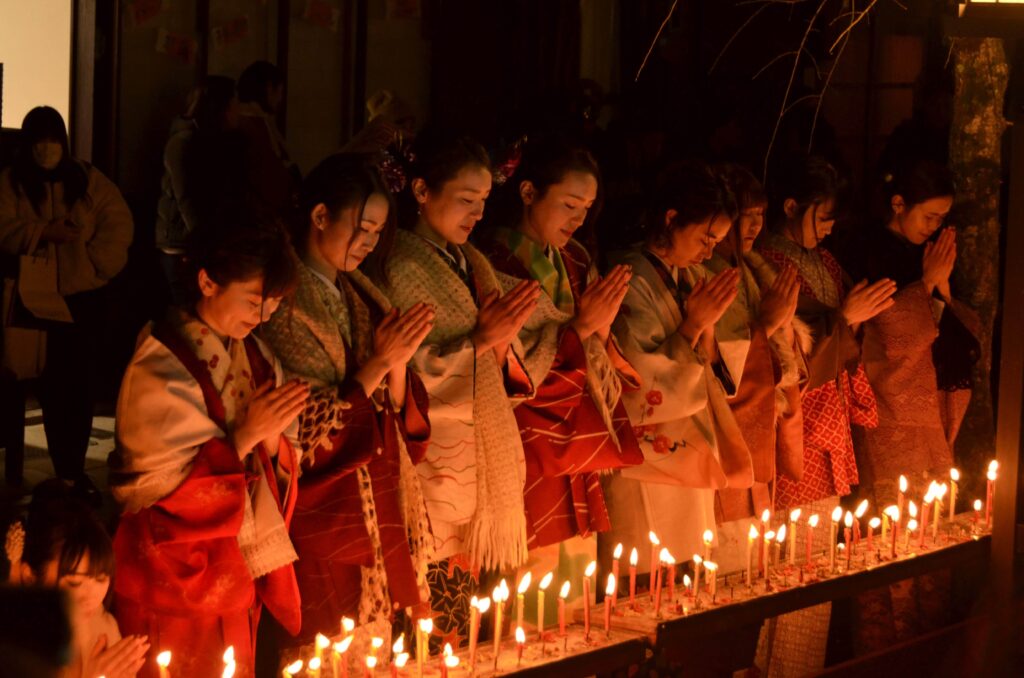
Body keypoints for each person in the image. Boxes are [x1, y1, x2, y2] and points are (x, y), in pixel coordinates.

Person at [377, 131, 558, 649]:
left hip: (482, 460)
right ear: (420, 191)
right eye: (465, 199)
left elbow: (504, 360)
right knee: (441, 625)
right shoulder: (403, 266)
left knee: (482, 625)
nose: (477, 213)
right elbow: (409, 371)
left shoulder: (471, 262)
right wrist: (480, 342)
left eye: (482, 201)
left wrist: (496, 345)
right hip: (438, 465)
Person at [108, 216, 307, 678]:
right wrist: (244, 438)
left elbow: (276, 454)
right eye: (254, 302)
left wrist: (271, 440)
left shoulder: (256, 355)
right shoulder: (159, 365)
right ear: (207, 282)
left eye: (274, 305)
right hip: (171, 575)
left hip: (236, 565)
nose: (263, 317)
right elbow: (154, 488)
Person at [260, 154, 434, 655]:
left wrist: (396, 363)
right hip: (325, 501)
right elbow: (304, 424)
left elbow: (393, 405)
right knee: (325, 643)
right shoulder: (285, 303)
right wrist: (381, 363)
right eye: (362, 228)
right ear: (320, 216)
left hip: (376, 486)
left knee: (372, 641)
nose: (370, 243)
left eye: (378, 232)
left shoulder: (359, 292)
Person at [478, 137, 643, 595]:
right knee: (524, 579)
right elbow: (510, 366)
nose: (579, 219)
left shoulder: (576, 259)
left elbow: (601, 353)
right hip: (525, 434)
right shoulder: (491, 262)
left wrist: (599, 332)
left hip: (576, 429)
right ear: (528, 192)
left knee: (572, 579)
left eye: (587, 208)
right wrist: (581, 329)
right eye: (569, 204)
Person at [835, 160, 980, 655]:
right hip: (888, 421)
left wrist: (940, 289)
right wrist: (927, 288)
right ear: (898, 204)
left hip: (930, 420)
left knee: (930, 540)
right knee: (890, 539)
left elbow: (963, 334)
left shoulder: (923, 258)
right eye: (928, 216)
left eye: (942, 219)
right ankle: (886, 655)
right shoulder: (868, 251)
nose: (934, 228)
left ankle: (928, 652)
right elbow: (886, 344)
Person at [601, 161, 753, 579]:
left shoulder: (691, 275)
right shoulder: (628, 279)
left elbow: (715, 366)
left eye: (716, 241)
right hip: (646, 459)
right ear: (671, 219)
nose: (709, 251)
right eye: (705, 238)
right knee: (645, 571)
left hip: (689, 448)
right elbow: (635, 378)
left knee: (689, 569)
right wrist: (691, 326)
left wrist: (704, 332)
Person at [0, 106, 134, 501]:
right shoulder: (11, 182)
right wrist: (42, 233)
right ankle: (56, 473)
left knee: (77, 388)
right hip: (31, 300)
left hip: (82, 301)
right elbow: (3, 225)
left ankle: (71, 472)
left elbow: (118, 223)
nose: (46, 149)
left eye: (53, 140)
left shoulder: (87, 179)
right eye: (39, 141)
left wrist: (92, 265)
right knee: (43, 385)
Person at [758, 156, 893, 513]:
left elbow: (847, 335)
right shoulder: (767, 263)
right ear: (791, 207)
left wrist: (854, 321)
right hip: (797, 415)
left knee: (822, 526)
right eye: (822, 219)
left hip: (831, 411)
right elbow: (781, 346)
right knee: (791, 526)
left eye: (833, 221)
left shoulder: (827, 262)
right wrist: (844, 317)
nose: (829, 229)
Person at [706, 164, 806, 533]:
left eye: (760, 215)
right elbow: (718, 366)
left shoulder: (750, 268)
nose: (754, 226)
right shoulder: (708, 274)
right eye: (745, 216)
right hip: (731, 431)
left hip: (762, 424)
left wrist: (781, 330)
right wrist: (766, 325)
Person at [6, 480, 149, 678]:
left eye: (101, 579)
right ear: (30, 577)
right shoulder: (15, 647)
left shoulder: (102, 625)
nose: (92, 597)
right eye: (74, 583)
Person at [154, 76, 246, 304]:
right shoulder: (183, 142)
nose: (239, 112)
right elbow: (186, 198)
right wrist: (204, 242)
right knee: (187, 307)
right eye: (234, 105)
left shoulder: (219, 142)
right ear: (222, 108)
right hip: (180, 244)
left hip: (197, 241)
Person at [237, 61, 298, 212]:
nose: (280, 99)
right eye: (280, 92)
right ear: (269, 88)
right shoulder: (255, 124)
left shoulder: (254, 121)